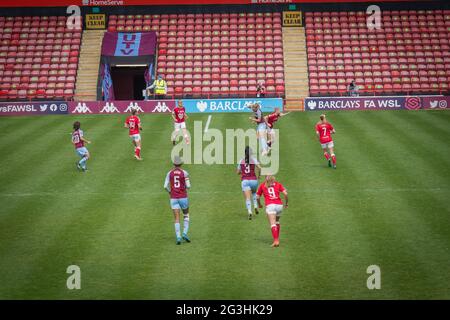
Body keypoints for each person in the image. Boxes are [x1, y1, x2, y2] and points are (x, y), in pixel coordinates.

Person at [164, 156, 191, 245]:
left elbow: (165, 186)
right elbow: (188, 186)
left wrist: (170, 192)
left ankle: (178, 237)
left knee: (176, 218)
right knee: (186, 215)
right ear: (181, 164)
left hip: (173, 198)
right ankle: (185, 233)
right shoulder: (184, 173)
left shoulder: (169, 173)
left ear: (174, 164)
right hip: (183, 197)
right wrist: (184, 189)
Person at [256, 175, 288, 248]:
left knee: (272, 223)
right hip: (279, 206)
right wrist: (286, 203)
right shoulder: (278, 184)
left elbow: (257, 197)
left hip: (271, 206)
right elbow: (286, 194)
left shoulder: (262, 185)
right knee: (277, 222)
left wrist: (259, 204)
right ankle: (277, 238)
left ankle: (276, 241)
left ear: (265, 179)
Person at [236, 146, 261, 220]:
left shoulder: (241, 161)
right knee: (254, 193)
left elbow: (237, 172)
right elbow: (259, 168)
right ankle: (256, 206)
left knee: (247, 198)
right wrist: (259, 175)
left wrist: (242, 171)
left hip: (245, 181)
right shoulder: (254, 160)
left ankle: (250, 212)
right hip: (254, 180)